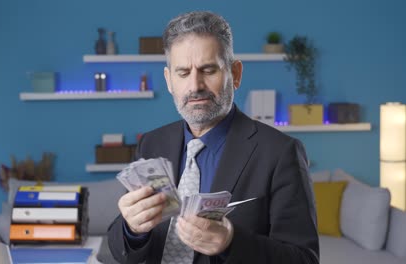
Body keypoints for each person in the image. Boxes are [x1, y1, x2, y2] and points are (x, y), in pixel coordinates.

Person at [108, 11, 319, 264]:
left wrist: (231, 242)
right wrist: (132, 229)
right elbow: (120, 245)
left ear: (236, 74)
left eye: (208, 70)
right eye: (183, 73)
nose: (195, 85)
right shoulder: (151, 143)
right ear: (169, 81)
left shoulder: (280, 152)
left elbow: (304, 259)